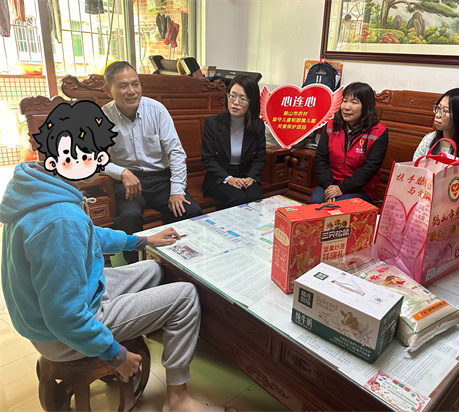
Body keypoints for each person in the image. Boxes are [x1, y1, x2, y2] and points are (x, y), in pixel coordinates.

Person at [0, 100, 234, 412]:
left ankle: (153, 326)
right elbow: (64, 316)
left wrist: (142, 240)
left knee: (153, 270)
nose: (101, 161)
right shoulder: (60, 220)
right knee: (186, 295)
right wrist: (116, 354)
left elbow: (89, 236)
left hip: (66, 307)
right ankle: (178, 400)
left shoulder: (38, 188)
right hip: (60, 335)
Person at [102, 61, 202, 263]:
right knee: (128, 218)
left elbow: (176, 152)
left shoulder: (156, 110)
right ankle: (137, 268)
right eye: (123, 86)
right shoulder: (103, 117)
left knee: (191, 211)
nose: (132, 91)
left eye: (135, 84)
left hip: (161, 180)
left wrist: (177, 190)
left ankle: (184, 264)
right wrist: (122, 172)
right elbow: (96, 160)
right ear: (108, 90)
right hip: (128, 184)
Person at [308, 82, 388, 204]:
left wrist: (342, 189)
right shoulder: (330, 125)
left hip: (360, 187)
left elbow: (369, 169)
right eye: (344, 101)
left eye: (354, 102)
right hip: (331, 182)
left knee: (335, 208)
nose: (346, 107)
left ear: (366, 106)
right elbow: (321, 158)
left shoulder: (379, 132)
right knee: (314, 204)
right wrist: (329, 186)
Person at [201, 74, 266, 209]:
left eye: (242, 99)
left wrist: (251, 177)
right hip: (220, 176)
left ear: (252, 102)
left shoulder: (258, 125)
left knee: (255, 198)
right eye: (232, 96)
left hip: (246, 176)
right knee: (238, 198)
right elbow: (208, 159)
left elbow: (260, 158)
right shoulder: (212, 123)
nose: (236, 102)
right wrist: (228, 178)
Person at [413, 87, 459, 161]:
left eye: (445, 111)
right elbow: (414, 165)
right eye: (438, 108)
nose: (437, 115)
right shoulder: (429, 139)